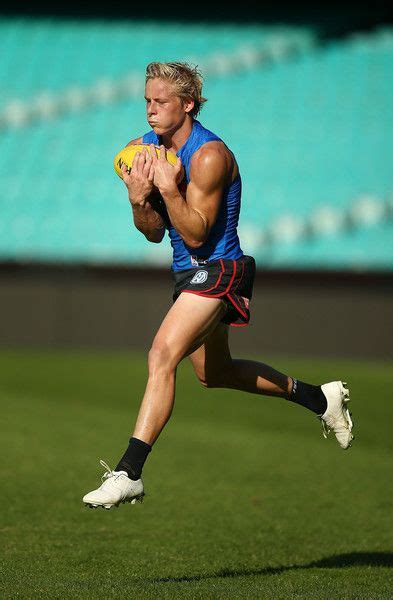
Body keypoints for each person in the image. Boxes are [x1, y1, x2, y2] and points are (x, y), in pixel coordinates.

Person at [83, 62, 354, 510]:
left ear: (187, 105)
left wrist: (168, 191)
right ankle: (318, 397)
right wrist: (137, 199)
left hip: (221, 267)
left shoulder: (209, 156)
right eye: (147, 101)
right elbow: (153, 231)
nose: (150, 111)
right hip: (188, 274)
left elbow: (196, 233)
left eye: (161, 102)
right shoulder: (143, 149)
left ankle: (129, 472)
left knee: (161, 353)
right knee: (214, 373)